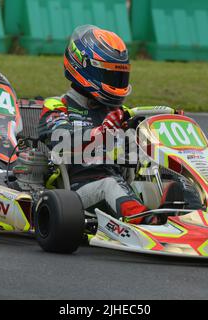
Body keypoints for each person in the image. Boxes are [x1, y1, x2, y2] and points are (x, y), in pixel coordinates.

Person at [38, 25, 149, 224]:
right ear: (85, 68)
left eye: (120, 76)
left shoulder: (118, 113)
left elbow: (134, 159)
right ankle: (146, 223)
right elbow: (61, 143)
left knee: (163, 182)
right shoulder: (58, 106)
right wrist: (103, 133)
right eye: (111, 76)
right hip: (74, 194)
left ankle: (194, 217)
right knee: (109, 185)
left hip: (122, 184)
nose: (117, 83)